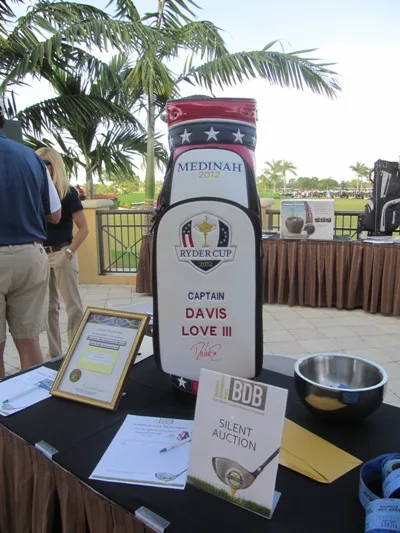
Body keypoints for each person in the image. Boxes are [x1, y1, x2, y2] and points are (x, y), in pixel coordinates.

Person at [0, 108, 61, 378]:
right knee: (30, 341)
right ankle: (31, 403)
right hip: (29, 254)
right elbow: (55, 214)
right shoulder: (31, 157)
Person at [36, 147, 89, 358]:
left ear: (54, 165)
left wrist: (69, 251)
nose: (42, 167)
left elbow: (83, 228)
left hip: (62, 253)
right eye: (39, 163)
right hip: (40, 255)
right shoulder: (36, 192)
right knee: (48, 309)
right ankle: (54, 355)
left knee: (73, 307)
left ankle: (76, 353)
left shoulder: (67, 192)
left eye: (46, 163)